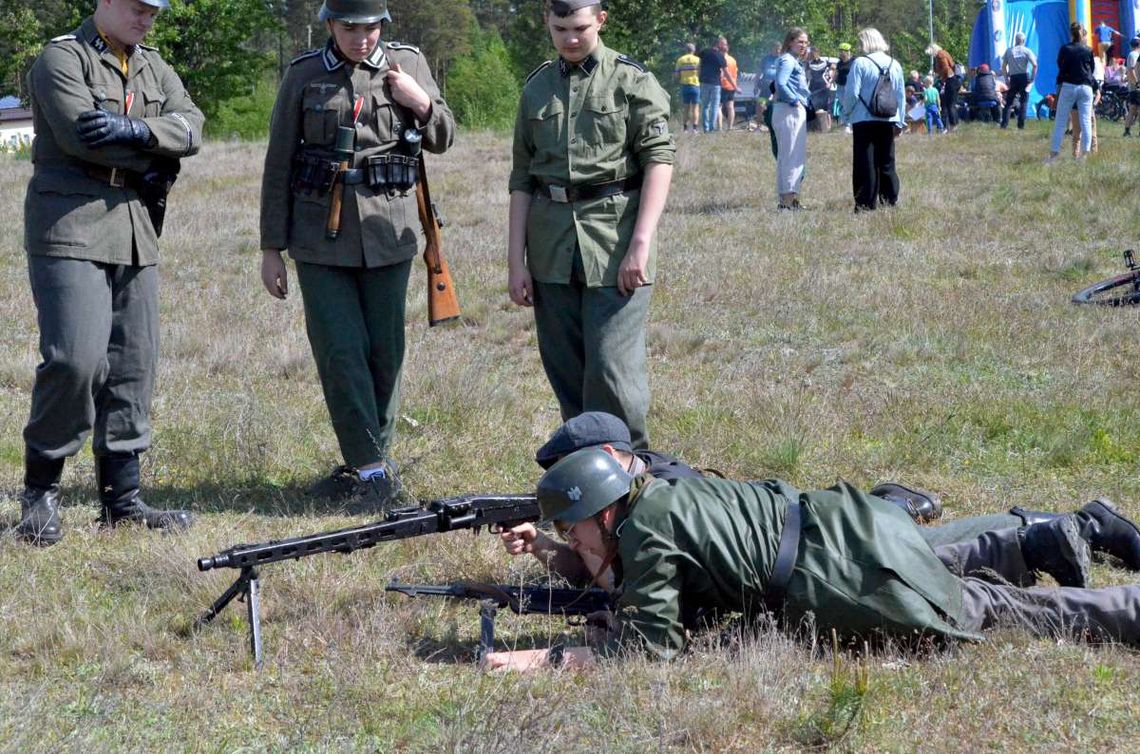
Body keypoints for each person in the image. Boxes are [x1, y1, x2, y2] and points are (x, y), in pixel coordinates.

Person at [484, 448, 1140, 670]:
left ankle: (1127, 610)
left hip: (841, 581)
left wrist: (556, 658)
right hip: (847, 522)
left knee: (993, 607)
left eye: (572, 532)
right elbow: (637, 583)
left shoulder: (644, 535)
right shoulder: (660, 498)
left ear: (603, 514)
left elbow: (652, 650)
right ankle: (1054, 535)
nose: (571, 544)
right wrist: (553, 555)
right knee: (945, 553)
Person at [500, 412, 1140, 591]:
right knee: (936, 555)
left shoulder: (666, 502)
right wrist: (554, 554)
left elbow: (634, 580)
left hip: (831, 544)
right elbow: (615, 570)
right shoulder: (644, 493)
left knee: (934, 558)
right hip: (819, 532)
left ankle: (1074, 527)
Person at [15, 0, 203, 546]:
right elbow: (81, 136)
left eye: (154, 11)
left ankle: (122, 499)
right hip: (70, 222)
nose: (148, 18)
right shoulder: (61, 60)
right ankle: (41, 490)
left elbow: (194, 128)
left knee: (133, 364)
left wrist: (139, 132)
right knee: (76, 358)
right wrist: (159, 142)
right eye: (138, 8)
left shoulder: (153, 65)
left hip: (136, 223)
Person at [259, 0, 456, 511]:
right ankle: (371, 470)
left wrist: (420, 103)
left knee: (384, 354)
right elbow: (278, 162)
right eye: (349, 28)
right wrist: (270, 248)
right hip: (319, 237)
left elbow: (444, 137)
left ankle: (368, 465)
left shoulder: (409, 63)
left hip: (389, 232)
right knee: (341, 352)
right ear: (330, 25)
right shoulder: (304, 74)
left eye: (370, 28)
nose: (361, 38)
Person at [506, 0, 675, 452]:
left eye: (579, 27)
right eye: (560, 28)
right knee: (566, 367)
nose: (570, 38)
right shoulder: (537, 88)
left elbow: (659, 160)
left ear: (600, 20)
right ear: (548, 22)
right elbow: (522, 178)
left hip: (614, 243)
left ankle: (632, 467)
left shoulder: (631, 80)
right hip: (551, 247)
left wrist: (641, 243)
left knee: (611, 369)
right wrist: (515, 263)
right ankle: (588, 468)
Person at [841, 27, 904, 212]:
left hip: (864, 119)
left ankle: (865, 204)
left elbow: (851, 93)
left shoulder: (860, 63)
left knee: (865, 163)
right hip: (887, 119)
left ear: (867, 42)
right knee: (886, 161)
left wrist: (846, 113)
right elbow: (900, 96)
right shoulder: (895, 64)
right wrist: (899, 121)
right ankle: (889, 200)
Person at [771, 27, 811, 211]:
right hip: (789, 110)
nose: (804, 45)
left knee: (789, 156)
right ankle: (787, 202)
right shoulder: (788, 60)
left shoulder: (792, 60)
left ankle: (789, 200)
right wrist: (794, 100)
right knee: (791, 157)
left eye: (806, 42)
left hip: (786, 110)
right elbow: (780, 83)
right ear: (790, 42)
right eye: (800, 41)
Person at [1047, 23, 1097, 162]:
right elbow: (1091, 69)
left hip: (1069, 86)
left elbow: (1060, 66)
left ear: (1071, 33)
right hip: (1086, 87)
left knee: (1061, 121)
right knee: (1086, 121)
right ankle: (1085, 155)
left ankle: (1053, 155)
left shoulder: (1065, 49)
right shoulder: (1088, 50)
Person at [1000, 32, 1038, 129]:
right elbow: (1034, 65)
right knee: (1024, 101)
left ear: (1015, 40)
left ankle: (1004, 124)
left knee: (1009, 101)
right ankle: (1020, 125)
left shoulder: (1009, 51)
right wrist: (1032, 78)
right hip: (1024, 77)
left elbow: (1003, 66)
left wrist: (1006, 79)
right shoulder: (1026, 51)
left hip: (1013, 77)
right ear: (1023, 41)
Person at [697, 36, 727, 133]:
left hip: (704, 82)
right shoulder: (720, 56)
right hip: (715, 83)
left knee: (705, 106)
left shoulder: (704, 52)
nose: (725, 46)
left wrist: (699, 75)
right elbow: (726, 72)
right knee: (714, 106)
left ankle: (705, 128)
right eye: (724, 44)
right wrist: (734, 85)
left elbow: (699, 64)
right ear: (719, 44)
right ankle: (711, 128)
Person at [929, 43, 960, 131]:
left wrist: (940, 76)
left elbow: (945, 68)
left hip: (950, 80)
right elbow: (952, 65)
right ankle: (955, 124)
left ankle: (953, 125)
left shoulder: (940, 55)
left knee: (949, 105)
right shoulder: (945, 53)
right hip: (954, 80)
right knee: (952, 105)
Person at [673, 43, 700, 134]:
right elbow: (700, 72)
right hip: (695, 85)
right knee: (695, 108)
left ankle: (685, 129)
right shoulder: (698, 60)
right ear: (694, 50)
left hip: (685, 85)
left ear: (686, 50)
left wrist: (678, 79)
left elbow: (676, 74)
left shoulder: (680, 60)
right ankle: (695, 128)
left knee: (686, 108)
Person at [719, 40, 739, 131]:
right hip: (732, 85)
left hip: (722, 85)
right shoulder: (733, 60)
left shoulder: (720, 59)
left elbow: (721, 73)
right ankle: (730, 127)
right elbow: (735, 73)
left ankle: (719, 127)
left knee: (718, 107)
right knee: (730, 107)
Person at [833, 43, 854, 131]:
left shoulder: (854, 61)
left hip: (850, 86)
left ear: (847, 52)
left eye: (843, 51)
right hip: (840, 86)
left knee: (849, 105)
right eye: (840, 51)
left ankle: (850, 124)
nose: (841, 53)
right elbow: (837, 73)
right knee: (842, 105)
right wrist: (833, 79)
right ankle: (846, 124)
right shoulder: (839, 63)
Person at [1125, 38, 1140, 137]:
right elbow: (1132, 70)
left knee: (1133, 109)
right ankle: (1127, 131)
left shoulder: (1132, 55)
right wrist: (1137, 83)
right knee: (1133, 109)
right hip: (1135, 87)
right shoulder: (1133, 55)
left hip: (1134, 86)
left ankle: (1127, 131)